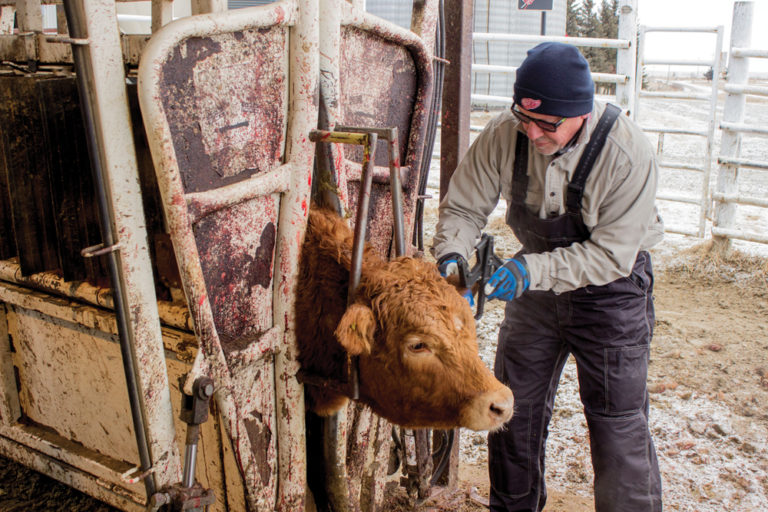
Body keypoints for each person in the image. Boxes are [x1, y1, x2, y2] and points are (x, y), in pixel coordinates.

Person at [432, 42, 664, 511]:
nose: (532, 132)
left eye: (547, 124)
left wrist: (531, 269)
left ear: (581, 112)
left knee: (617, 423)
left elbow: (612, 255)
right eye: (524, 117)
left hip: (610, 293)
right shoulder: (505, 134)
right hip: (534, 291)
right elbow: (463, 206)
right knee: (511, 413)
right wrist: (452, 254)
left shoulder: (627, 153)